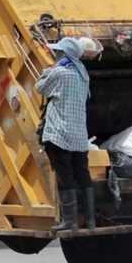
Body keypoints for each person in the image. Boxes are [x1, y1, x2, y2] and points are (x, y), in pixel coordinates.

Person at [35, 37, 94, 231]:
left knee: (65, 176)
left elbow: (39, 87)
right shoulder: (83, 73)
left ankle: (69, 220)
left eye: (59, 52)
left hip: (60, 133)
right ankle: (91, 220)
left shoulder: (59, 72)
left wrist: (48, 70)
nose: (56, 54)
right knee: (82, 174)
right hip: (79, 135)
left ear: (64, 54)